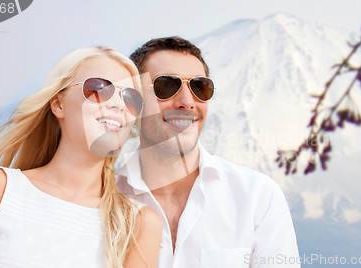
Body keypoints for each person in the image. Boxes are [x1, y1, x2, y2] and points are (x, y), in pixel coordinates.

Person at [0, 46, 162, 268]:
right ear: (58, 104)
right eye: (99, 88)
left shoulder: (139, 223)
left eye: (130, 98)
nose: (118, 104)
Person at [116, 37, 300, 267]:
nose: (187, 102)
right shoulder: (103, 201)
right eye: (166, 86)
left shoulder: (258, 197)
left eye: (199, 87)